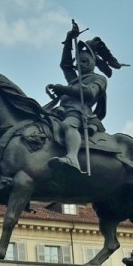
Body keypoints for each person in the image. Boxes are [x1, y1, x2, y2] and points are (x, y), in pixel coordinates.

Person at [45, 21, 125, 173]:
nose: (80, 64)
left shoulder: (99, 79)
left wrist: (62, 88)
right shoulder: (74, 79)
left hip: (80, 112)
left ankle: (72, 158)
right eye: (79, 62)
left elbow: (89, 93)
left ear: (93, 63)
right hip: (63, 109)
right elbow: (65, 65)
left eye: (84, 61)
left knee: (69, 125)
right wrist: (69, 40)